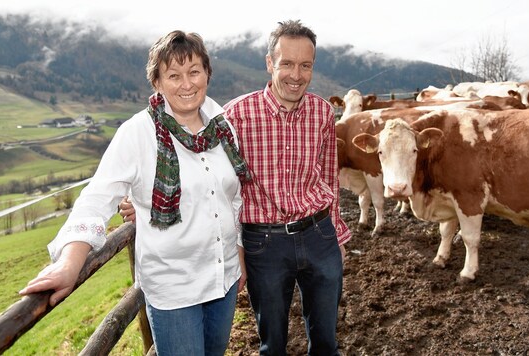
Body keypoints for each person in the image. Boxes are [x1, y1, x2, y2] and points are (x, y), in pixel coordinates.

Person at [120, 20, 351, 355]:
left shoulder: (323, 113)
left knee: (328, 341)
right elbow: (196, 168)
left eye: (305, 66)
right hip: (265, 243)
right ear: (270, 63)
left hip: (319, 235)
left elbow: (329, 177)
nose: (296, 75)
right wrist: (142, 199)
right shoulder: (235, 116)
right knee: (272, 343)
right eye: (286, 63)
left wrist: (337, 234)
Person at [19, 30, 249, 356]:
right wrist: (71, 261)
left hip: (223, 279)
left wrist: (238, 251)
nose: (187, 84)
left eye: (194, 71)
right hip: (174, 289)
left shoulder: (224, 126)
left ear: (207, 74)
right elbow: (98, 196)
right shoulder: (138, 133)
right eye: (174, 75)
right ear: (157, 82)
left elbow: (234, 198)